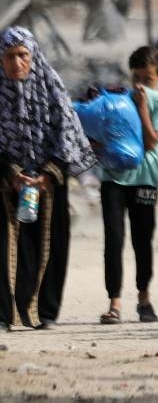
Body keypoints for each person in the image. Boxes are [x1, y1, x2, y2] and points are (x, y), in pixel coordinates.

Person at [1, 27, 96, 330]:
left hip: (49, 182)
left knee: (51, 244)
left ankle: (46, 312)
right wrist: (12, 172)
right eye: (9, 56)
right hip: (6, 182)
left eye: (22, 55)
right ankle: (4, 314)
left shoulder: (51, 87)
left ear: (33, 56)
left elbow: (68, 136)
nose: (16, 63)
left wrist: (46, 175)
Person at [98, 46, 158, 325]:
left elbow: (153, 142)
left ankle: (144, 297)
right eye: (136, 78)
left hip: (145, 180)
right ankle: (114, 302)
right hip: (113, 177)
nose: (140, 85)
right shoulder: (119, 100)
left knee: (142, 240)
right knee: (113, 239)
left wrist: (142, 108)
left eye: (148, 78)